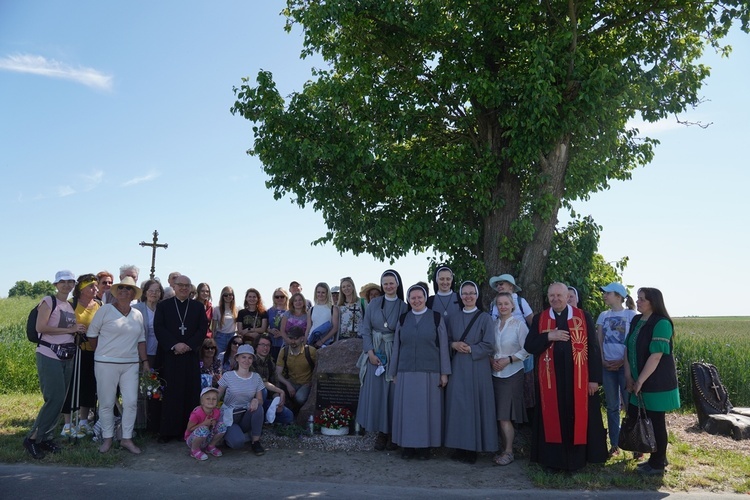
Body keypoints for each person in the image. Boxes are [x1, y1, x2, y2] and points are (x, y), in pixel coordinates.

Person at [524, 282, 607, 472]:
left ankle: (577, 462)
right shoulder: (541, 318)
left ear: (568, 296)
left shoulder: (582, 316)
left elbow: (593, 348)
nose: (555, 299)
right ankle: (553, 462)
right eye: (551, 296)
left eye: (559, 295)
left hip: (578, 380)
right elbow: (529, 346)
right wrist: (548, 337)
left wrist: (594, 378)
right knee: (553, 419)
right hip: (550, 381)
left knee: (576, 417)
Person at [23, 270, 83, 460]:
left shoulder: (69, 305)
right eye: (62, 282)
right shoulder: (49, 301)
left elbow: (66, 331)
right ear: (56, 284)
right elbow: (41, 328)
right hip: (49, 354)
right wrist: (71, 329)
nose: (66, 285)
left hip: (67, 355)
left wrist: (75, 332)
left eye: (70, 282)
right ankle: (32, 439)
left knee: (60, 399)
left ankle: (46, 437)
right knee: (54, 398)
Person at [389, 284, 451, 460]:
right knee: (407, 412)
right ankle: (407, 447)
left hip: (430, 372)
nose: (416, 300)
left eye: (419, 297)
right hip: (405, 371)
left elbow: (444, 347)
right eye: (413, 297)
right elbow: (396, 347)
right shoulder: (403, 319)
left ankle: (425, 448)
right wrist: (393, 372)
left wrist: (444, 372)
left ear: (425, 298)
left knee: (427, 413)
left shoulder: (436, 318)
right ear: (408, 300)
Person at [87, 276, 148, 454]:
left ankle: (126, 439)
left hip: (130, 364)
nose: (124, 291)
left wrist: (144, 362)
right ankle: (107, 439)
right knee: (106, 403)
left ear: (133, 294)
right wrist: (102, 353)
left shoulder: (137, 314)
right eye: (120, 288)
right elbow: (92, 334)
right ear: (116, 292)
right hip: (105, 363)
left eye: (128, 289)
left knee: (130, 402)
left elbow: (141, 340)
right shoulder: (105, 310)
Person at [624, 287, 680, 476]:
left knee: (656, 421)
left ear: (653, 302)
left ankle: (658, 463)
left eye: (642, 299)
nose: (637, 302)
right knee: (637, 415)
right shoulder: (636, 320)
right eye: (638, 298)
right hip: (637, 380)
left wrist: (640, 380)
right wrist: (629, 377)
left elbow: (656, 356)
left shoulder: (662, 323)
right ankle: (652, 457)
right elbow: (628, 348)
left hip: (656, 382)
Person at [444, 281, 497, 464]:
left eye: (471, 293)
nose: (468, 296)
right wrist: (453, 345)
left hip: (477, 367)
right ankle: (459, 447)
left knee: (474, 407)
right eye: (465, 293)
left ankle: (472, 449)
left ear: (477, 295)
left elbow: (490, 344)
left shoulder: (485, 318)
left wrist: (471, 349)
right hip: (458, 366)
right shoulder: (453, 318)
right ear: (460, 296)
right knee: (458, 407)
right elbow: (447, 340)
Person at [356, 269, 408, 451]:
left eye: (391, 283)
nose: (388, 286)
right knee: (378, 393)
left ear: (398, 284)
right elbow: (366, 329)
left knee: (392, 393)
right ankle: (380, 433)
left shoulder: (404, 306)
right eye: (385, 283)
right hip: (375, 352)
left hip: (393, 351)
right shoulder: (374, 304)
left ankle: (393, 433)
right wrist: (370, 352)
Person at [154, 274, 208, 443]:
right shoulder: (164, 306)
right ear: (174, 286)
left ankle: (188, 430)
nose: (184, 288)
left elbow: (202, 329)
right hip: (170, 356)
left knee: (189, 392)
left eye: (187, 285)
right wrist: (174, 345)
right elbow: (159, 328)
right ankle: (167, 431)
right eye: (181, 285)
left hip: (190, 356)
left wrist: (188, 345)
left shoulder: (198, 307)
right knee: (171, 393)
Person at [596, 282, 637, 456]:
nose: (604, 296)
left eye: (608, 293)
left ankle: (635, 445)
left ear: (619, 296)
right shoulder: (603, 316)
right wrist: (603, 361)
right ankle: (614, 444)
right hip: (607, 368)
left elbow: (632, 342)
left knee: (629, 405)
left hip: (625, 367)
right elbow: (599, 341)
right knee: (612, 407)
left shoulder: (631, 315)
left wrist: (623, 361)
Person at [490, 292, 530, 466]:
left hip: (512, 374)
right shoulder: (492, 325)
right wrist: (492, 360)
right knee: (498, 415)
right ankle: (502, 449)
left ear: (512, 305)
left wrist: (508, 360)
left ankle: (508, 451)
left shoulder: (519, 325)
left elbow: (527, 350)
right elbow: (488, 347)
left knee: (505, 415)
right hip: (494, 374)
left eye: (506, 303)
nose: (503, 306)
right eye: (499, 304)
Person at [60, 273, 101, 438]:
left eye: (96, 286)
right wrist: (75, 328)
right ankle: (67, 425)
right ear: (82, 289)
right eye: (91, 286)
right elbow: (62, 327)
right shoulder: (71, 305)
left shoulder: (99, 305)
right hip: (74, 351)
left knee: (89, 387)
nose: (95, 289)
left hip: (93, 351)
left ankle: (83, 422)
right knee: (70, 388)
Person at [217, 345, 266, 455]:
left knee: (258, 407)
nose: (246, 360)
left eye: (249, 357)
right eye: (243, 357)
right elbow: (217, 396)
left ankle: (255, 442)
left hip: (246, 415)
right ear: (237, 358)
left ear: (252, 360)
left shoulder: (256, 377)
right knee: (237, 443)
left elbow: (260, 400)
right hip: (230, 416)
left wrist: (256, 401)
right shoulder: (228, 376)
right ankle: (231, 434)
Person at [253, 334, 294, 425]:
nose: (265, 348)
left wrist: (277, 401)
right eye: (262, 344)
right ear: (256, 346)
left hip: (267, 401)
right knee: (263, 390)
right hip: (252, 399)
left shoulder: (270, 362)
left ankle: (267, 417)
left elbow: (275, 383)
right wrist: (280, 391)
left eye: (268, 345)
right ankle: (258, 418)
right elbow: (261, 382)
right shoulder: (251, 361)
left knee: (289, 416)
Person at [275, 326, 317, 410]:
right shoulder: (284, 351)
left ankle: (297, 411)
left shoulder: (311, 351)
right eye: (290, 338)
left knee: (299, 398)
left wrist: (312, 382)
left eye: (296, 338)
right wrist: (288, 384)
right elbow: (278, 373)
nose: (293, 341)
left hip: (306, 383)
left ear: (302, 338)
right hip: (291, 381)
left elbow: (318, 369)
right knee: (277, 391)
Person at [185, 387, 227, 461]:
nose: (211, 401)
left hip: (207, 437)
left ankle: (210, 446)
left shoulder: (217, 411)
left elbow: (215, 426)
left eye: (214, 399)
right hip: (193, 439)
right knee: (203, 429)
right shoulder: (196, 413)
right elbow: (189, 429)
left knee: (222, 426)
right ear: (202, 401)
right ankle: (194, 450)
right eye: (208, 398)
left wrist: (214, 423)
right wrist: (204, 423)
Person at [133, 279, 163, 367]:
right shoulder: (136, 309)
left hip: (158, 353)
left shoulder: (164, 309)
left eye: (157, 291)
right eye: (151, 291)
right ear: (145, 293)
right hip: (140, 353)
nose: (154, 293)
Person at [307, 282, 339, 348]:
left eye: (323, 292)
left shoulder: (333, 309)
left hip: (326, 343)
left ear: (327, 293)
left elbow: (335, 328)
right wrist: (305, 342)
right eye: (318, 292)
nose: (320, 294)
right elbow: (308, 327)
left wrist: (322, 341)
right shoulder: (311, 309)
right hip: (311, 341)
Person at [337, 277, 365, 341]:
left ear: (353, 287)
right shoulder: (339, 306)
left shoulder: (362, 302)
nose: (346, 288)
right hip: (343, 339)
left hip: (360, 338)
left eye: (348, 286)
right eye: (343, 287)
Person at [211, 286, 238, 353]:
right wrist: (212, 339)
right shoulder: (217, 309)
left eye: (230, 295)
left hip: (232, 337)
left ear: (233, 296)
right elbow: (213, 328)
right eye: (225, 295)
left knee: (232, 358)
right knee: (219, 358)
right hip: (220, 337)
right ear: (222, 296)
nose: (228, 297)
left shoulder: (236, 310)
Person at [266, 287, 289, 360]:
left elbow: (294, 328)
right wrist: (270, 330)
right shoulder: (270, 311)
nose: (279, 299)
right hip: (271, 344)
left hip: (285, 343)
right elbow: (264, 327)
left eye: (282, 297)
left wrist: (282, 333)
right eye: (277, 297)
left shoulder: (290, 312)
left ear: (286, 297)